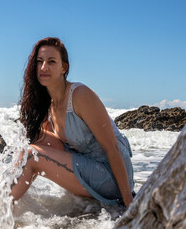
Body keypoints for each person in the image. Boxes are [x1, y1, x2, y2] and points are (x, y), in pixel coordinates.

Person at [10, 37, 134, 208]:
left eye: (51, 62)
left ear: (64, 68)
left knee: (32, 155)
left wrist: (129, 201)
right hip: (87, 164)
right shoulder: (49, 104)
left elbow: (111, 146)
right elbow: (45, 145)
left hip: (112, 176)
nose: (44, 67)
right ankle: (7, 200)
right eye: (39, 62)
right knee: (29, 138)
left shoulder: (80, 95)